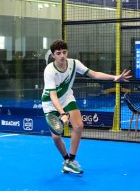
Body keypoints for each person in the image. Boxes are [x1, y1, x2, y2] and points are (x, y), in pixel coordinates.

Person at [42, 39, 131, 174]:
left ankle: (71, 161)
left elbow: (94, 74)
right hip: (50, 103)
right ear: (53, 55)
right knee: (56, 137)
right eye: (58, 53)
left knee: (79, 126)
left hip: (67, 98)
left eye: (64, 52)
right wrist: (62, 113)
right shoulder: (49, 70)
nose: (62, 56)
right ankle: (66, 160)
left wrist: (114, 77)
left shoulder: (74, 63)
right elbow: (53, 95)